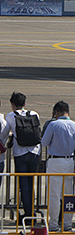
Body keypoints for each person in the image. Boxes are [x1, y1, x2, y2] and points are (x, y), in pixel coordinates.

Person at [41, 100, 75, 232]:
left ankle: (53, 224)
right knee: (68, 194)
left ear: (57, 112)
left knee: (54, 194)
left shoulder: (53, 124)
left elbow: (44, 142)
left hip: (55, 161)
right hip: (69, 160)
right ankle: (67, 224)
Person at [0, 92, 41, 222]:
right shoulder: (34, 114)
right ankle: (32, 212)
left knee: (23, 184)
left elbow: (4, 134)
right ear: (25, 103)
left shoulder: (11, 116)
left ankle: (28, 214)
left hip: (20, 153)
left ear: (12, 104)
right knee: (31, 182)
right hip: (35, 152)